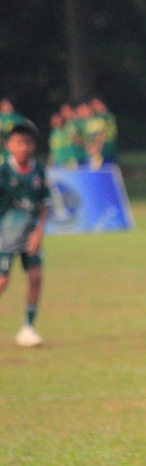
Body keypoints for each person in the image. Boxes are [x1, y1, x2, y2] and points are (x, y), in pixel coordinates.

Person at [0, 124, 51, 347]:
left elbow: (45, 203)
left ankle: (28, 328)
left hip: (30, 236)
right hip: (5, 236)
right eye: (19, 143)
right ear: (9, 145)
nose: (24, 148)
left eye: (28, 143)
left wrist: (39, 232)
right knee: (2, 282)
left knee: (36, 278)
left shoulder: (38, 170)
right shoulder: (3, 172)